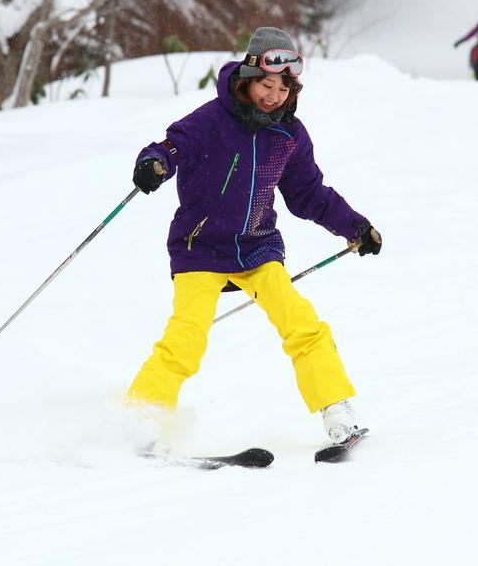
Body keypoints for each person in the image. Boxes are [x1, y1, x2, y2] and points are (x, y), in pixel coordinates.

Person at [126, 26, 382, 445]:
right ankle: (141, 417)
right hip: (200, 248)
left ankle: (337, 411)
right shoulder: (212, 119)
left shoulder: (288, 135)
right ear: (248, 77)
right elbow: (171, 147)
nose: (274, 96)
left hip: (256, 248)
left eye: (284, 88)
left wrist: (355, 226)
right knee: (186, 337)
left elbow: (308, 194)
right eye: (267, 84)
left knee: (303, 326)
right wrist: (154, 163)